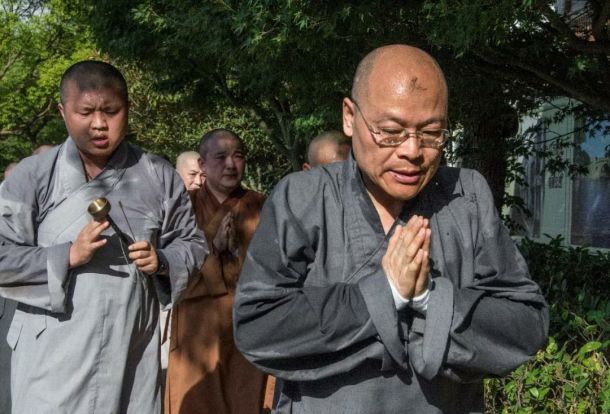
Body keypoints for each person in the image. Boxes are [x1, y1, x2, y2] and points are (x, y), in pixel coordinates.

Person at [233, 45, 549, 413]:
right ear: (350, 117)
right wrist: (385, 295)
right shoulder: (303, 198)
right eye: (391, 131)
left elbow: (527, 323)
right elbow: (258, 325)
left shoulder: (467, 196)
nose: (413, 151)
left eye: (432, 133)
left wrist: (430, 299)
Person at [0, 60, 206, 413]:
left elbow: (193, 244)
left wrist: (164, 262)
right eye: (86, 112)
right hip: (52, 352)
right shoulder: (34, 176)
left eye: (111, 111)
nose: (99, 123)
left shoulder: (157, 175)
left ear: (128, 109)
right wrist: (65, 256)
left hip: (130, 346)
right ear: (64, 111)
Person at [165, 128, 270, 414]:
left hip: (247, 326)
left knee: (247, 402)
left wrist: (235, 252)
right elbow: (169, 269)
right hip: (197, 330)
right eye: (220, 157)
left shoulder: (263, 207)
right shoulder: (181, 209)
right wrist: (214, 248)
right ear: (201, 164)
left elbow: (275, 270)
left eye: (238, 156)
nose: (230, 165)